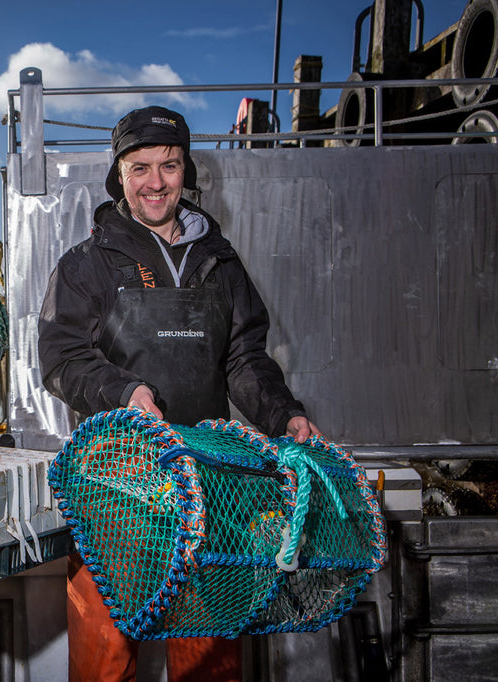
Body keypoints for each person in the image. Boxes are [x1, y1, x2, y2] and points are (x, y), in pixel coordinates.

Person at [37, 105, 321, 681]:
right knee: (105, 648)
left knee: (210, 652)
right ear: (119, 174)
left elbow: (244, 358)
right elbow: (61, 359)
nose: (155, 182)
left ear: (185, 168)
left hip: (213, 482)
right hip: (114, 484)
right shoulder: (86, 265)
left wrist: (283, 415)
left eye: (168, 165)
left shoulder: (221, 263)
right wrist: (126, 392)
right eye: (140, 167)